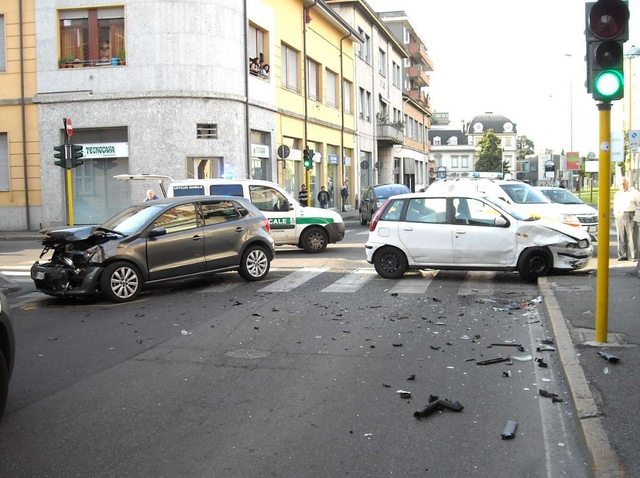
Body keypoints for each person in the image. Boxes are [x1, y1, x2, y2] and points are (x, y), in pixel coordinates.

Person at [613, 177, 640, 261]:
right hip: (620, 215)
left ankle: (634, 256)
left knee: (632, 236)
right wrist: (616, 214)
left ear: (628, 183)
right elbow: (615, 205)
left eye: (624, 184)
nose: (622, 186)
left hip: (631, 214)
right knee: (621, 236)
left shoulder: (634, 192)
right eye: (621, 184)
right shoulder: (618, 194)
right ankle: (622, 255)